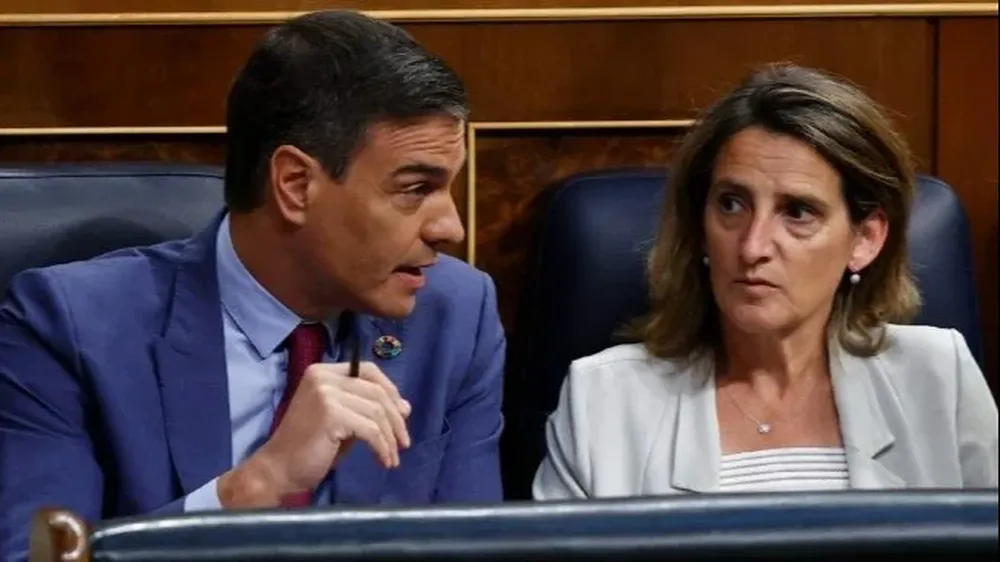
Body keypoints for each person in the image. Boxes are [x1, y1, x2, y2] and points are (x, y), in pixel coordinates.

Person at [0, 9, 505, 558]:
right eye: (415, 189)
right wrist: (258, 485)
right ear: (295, 185)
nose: (450, 228)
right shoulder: (70, 327)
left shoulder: (456, 315)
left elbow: (477, 551)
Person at [533, 64, 998, 499]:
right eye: (731, 204)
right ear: (700, 224)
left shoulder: (940, 379)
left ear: (865, 239)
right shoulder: (603, 401)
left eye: (798, 212)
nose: (752, 246)